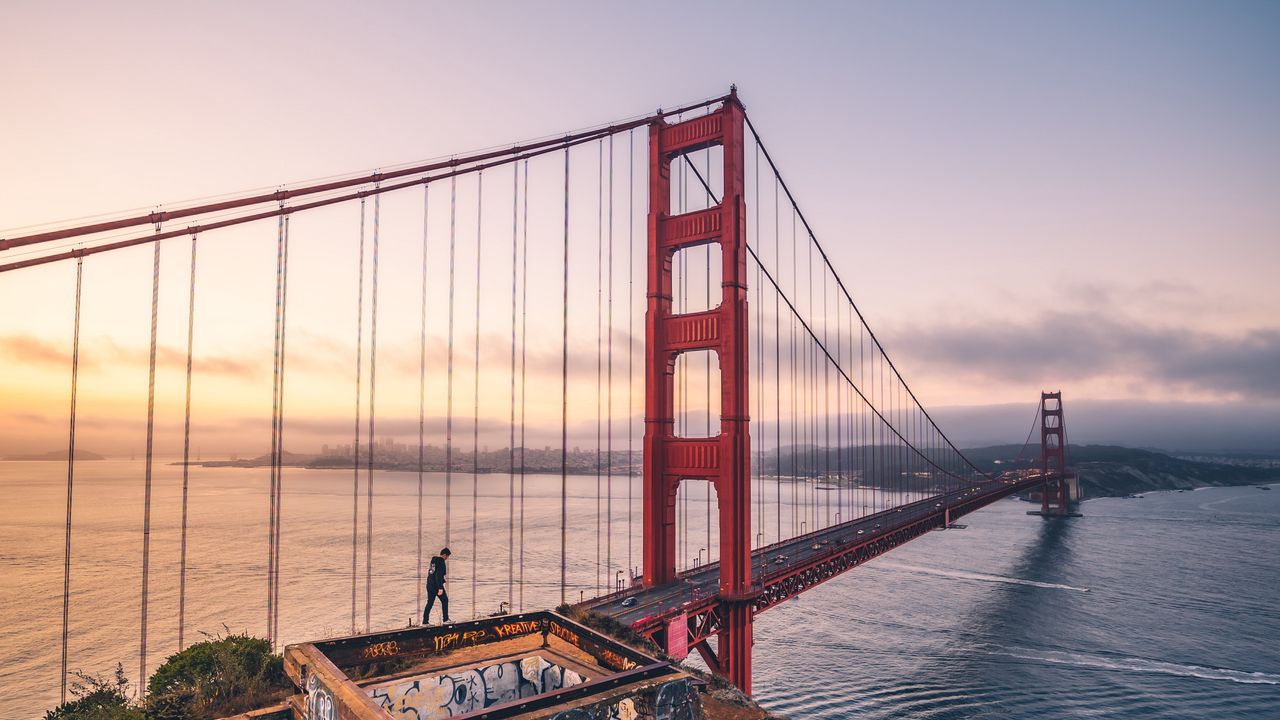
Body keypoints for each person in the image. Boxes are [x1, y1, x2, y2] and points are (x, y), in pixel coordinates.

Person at [423, 547, 451, 625]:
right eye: (447, 556)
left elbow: (432, 573)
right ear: (444, 555)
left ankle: (425, 622)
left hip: (429, 585)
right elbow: (438, 576)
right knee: (445, 600)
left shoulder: (433, 561)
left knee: (430, 603)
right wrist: (440, 588)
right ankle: (445, 620)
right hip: (436, 586)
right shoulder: (441, 562)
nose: (447, 558)